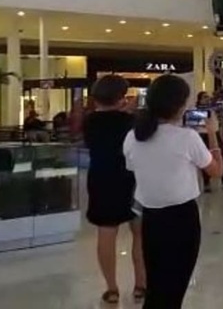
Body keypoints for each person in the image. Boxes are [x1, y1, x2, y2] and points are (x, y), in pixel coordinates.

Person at [124, 75, 223, 309]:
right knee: (174, 288)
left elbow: (133, 167)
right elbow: (216, 171)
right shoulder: (187, 138)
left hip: (150, 218)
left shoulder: (133, 137)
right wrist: (212, 133)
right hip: (182, 219)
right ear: (179, 105)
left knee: (157, 285)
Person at [83, 75, 145, 305]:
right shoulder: (131, 121)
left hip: (101, 179)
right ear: (120, 97)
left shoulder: (90, 121)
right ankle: (140, 284)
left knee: (106, 233)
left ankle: (111, 288)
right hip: (133, 179)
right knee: (140, 232)